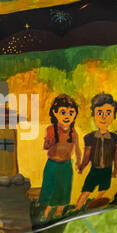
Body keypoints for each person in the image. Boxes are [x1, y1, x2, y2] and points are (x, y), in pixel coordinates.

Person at [38, 93, 80, 221]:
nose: (67, 116)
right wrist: (48, 142)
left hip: (66, 165)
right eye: (63, 112)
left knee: (64, 189)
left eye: (71, 113)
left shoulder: (73, 132)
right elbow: (46, 146)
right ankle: (46, 213)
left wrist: (79, 160)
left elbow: (77, 148)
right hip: (53, 164)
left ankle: (59, 212)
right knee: (51, 189)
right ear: (55, 113)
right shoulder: (50, 129)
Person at [75, 92, 117, 209]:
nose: (104, 117)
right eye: (99, 113)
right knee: (86, 190)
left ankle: (94, 204)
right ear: (94, 115)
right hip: (95, 169)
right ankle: (77, 208)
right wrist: (82, 167)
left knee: (104, 188)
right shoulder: (89, 137)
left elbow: (116, 155)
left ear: (113, 116)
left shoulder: (114, 138)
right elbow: (87, 155)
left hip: (107, 168)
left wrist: (115, 169)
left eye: (108, 113)